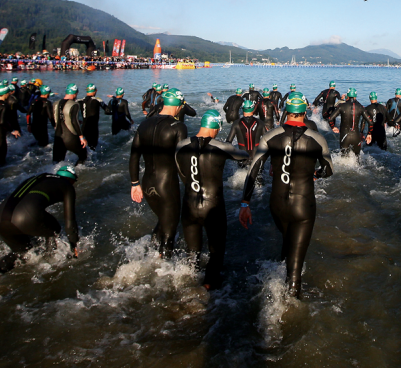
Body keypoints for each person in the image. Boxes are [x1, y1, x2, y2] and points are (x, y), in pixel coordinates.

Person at [238, 95, 334, 297]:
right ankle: (290, 307)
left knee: (287, 241)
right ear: (305, 112)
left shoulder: (271, 135)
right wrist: (314, 174)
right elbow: (328, 170)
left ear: (286, 112)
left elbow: (253, 170)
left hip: (277, 204)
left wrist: (245, 203)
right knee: (296, 268)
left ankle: (279, 282)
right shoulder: (317, 138)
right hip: (303, 206)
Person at [174, 110, 249, 289]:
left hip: (189, 205)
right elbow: (245, 156)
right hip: (212, 206)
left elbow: (182, 173)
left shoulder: (180, 146)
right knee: (216, 253)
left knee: (192, 254)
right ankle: (209, 290)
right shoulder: (221, 147)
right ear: (216, 127)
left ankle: (187, 289)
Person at [129, 88, 189, 256]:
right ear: (177, 105)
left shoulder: (144, 123)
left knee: (163, 221)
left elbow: (134, 156)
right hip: (167, 186)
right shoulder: (179, 127)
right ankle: (164, 263)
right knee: (170, 229)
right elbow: (181, 161)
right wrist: (191, 186)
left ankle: (152, 255)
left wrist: (135, 184)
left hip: (147, 185)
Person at [0, 165, 79, 273]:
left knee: (21, 252)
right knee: (55, 228)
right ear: (68, 179)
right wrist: (74, 246)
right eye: (73, 182)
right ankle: (52, 261)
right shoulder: (67, 186)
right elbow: (70, 223)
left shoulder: (39, 177)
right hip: (25, 216)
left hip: (1, 218)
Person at [53, 84, 88, 165]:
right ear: (75, 93)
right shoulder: (74, 104)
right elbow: (73, 121)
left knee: (56, 163)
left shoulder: (56, 103)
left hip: (58, 137)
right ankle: (75, 172)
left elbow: (56, 119)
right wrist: (81, 137)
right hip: (70, 138)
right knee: (83, 156)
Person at [328, 87, 368, 155]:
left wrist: (333, 127)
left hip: (344, 135)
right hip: (356, 136)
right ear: (355, 97)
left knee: (343, 158)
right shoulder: (360, 107)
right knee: (357, 159)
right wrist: (368, 133)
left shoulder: (341, 106)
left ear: (348, 96)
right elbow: (370, 121)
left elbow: (330, 119)